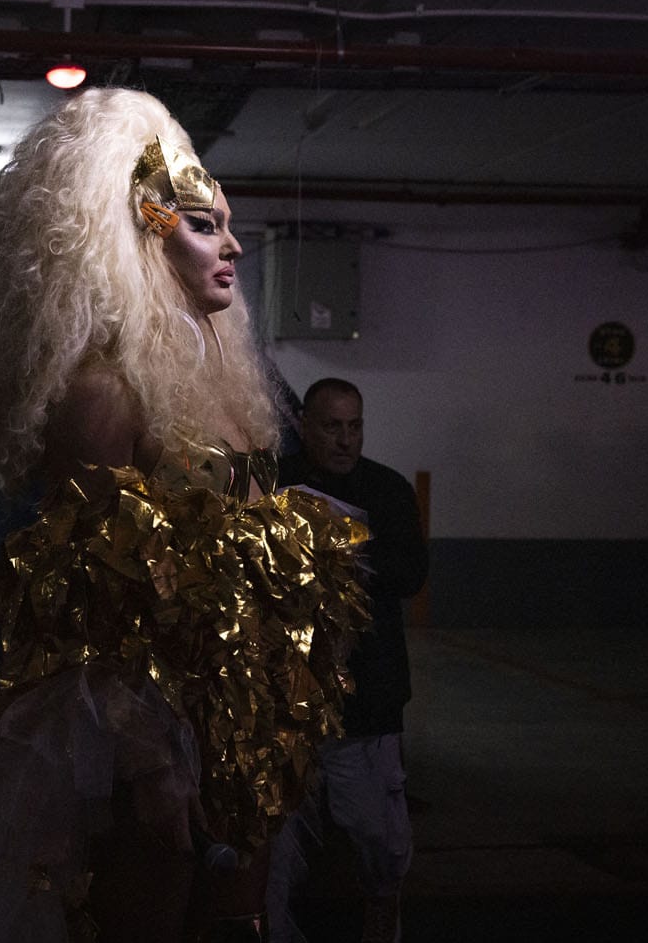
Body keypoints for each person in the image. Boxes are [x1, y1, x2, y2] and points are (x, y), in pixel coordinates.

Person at [0, 88, 370, 943]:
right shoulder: (106, 389)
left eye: (225, 222)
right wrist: (150, 759)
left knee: (238, 919)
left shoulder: (220, 378)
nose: (230, 244)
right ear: (144, 235)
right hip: (149, 733)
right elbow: (85, 595)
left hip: (244, 725)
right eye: (200, 224)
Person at [269, 378, 428, 943]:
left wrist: (341, 546)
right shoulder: (279, 482)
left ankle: (381, 922)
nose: (344, 439)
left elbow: (410, 573)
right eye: (331, 426)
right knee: (278, 834)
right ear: (305, 426)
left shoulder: (385, 490)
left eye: (354, 425)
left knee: (379, 837)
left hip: (368, 692)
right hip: (290, 690)